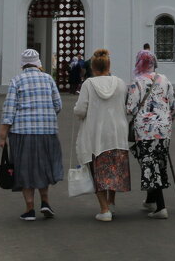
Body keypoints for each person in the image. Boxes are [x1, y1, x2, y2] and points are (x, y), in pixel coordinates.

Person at [0, 49, 64, 220]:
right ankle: (45, 202)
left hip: (22, 132)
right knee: (44, 166)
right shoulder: (48, 79)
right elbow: (58, 104)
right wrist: (46, 115)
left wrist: (2, 135)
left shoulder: (16, 81)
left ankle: (29, 209)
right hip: (47, 131)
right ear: (38, 62)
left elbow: (9, 109)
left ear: (23, 63)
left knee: (24, 167)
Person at [74, 49, 131, 222]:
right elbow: (126, 105)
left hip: (96, 133)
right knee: (113, 168)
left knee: (97, 170)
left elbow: (81, 110)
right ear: (109, 65)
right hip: (118, 132)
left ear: (93, 67)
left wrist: (76, 111)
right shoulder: (120, 83)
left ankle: (104, 208)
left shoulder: (88, 85)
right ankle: (111, 202)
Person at [127, 50, 175, 219]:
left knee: (149, 164)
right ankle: (150, 199)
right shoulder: (164, 79)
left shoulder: (136, 83)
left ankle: (161, 207)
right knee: (159, 162)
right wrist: (167, 120)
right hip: (163, 128)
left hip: (145, 130)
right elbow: (174, 105)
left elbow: (130, 108)